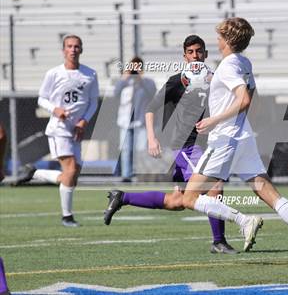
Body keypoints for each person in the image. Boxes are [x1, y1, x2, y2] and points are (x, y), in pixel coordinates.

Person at [177, 17, 288, 262]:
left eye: (219, 36)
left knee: (189, 197)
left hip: (225, 139)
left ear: (226, 40)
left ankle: (243, 220)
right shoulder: (244, 63)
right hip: (243, 136)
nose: (217, 40)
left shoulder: (227, 66)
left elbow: (244, 100)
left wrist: (213, 120)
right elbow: (252, 105)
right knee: (269, 193)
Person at [104, 35, 237, 254]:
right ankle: (218, 241)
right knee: (214, 187)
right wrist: (151, 138)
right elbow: (150, 108)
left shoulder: (215, 79)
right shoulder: (177, 81)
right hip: (187, 146)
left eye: (199, 51)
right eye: (191, 52)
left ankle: (122, 197)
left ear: (205, 54)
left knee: (178, 201)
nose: (195, 55)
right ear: (185, 55)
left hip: (209, 145)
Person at [16, 35, 99, 227]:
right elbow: (42, 99)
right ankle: (67, 217)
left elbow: (93, 101)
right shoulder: (54, 73)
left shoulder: (90, 74)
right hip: (59, 128)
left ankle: (35, 173)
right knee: (69, 171)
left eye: (76, 46)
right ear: (63, 50)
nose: (73, 50)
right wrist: (56, 110)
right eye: (69, 46)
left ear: (82, 49)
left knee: (72, 175)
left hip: (76, 130)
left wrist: (84, 121)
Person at [114, 57, 156, 182]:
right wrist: (125, 77)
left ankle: (139, 174)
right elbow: (115, 93)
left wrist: (140, 79)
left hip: (140, 120)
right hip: (125, 120)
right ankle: (126, 175)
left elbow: (152, 94)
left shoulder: (147, 82)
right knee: (126, 148)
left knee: (140, 149)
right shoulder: (124, 82)